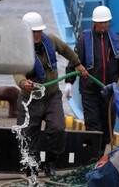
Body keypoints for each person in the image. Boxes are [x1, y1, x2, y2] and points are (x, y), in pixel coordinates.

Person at [14, 11, 89, 178]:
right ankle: (31, 166)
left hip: (51, 96)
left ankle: (50, 162)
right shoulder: (19, 48)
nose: (37, 34)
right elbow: (17, 72)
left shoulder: (51, 41)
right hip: (30, 99)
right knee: (27, 135)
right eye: (34, 32)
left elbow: (66, 50)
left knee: (58, 129)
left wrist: (77, 64)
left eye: (39, 31)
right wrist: (23, 83)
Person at [65, 5, 119, 154]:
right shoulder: (84, 41)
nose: (103, 25)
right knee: (93, 127)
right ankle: (92, 158)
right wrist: (69, 83)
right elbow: (74, 62)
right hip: (90, 92)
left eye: (106, 22)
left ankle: (100, 155)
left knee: (107, 127)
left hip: (109, 93)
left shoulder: (116, 41)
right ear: (94, 23)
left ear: (109, 22)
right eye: (100, 22)